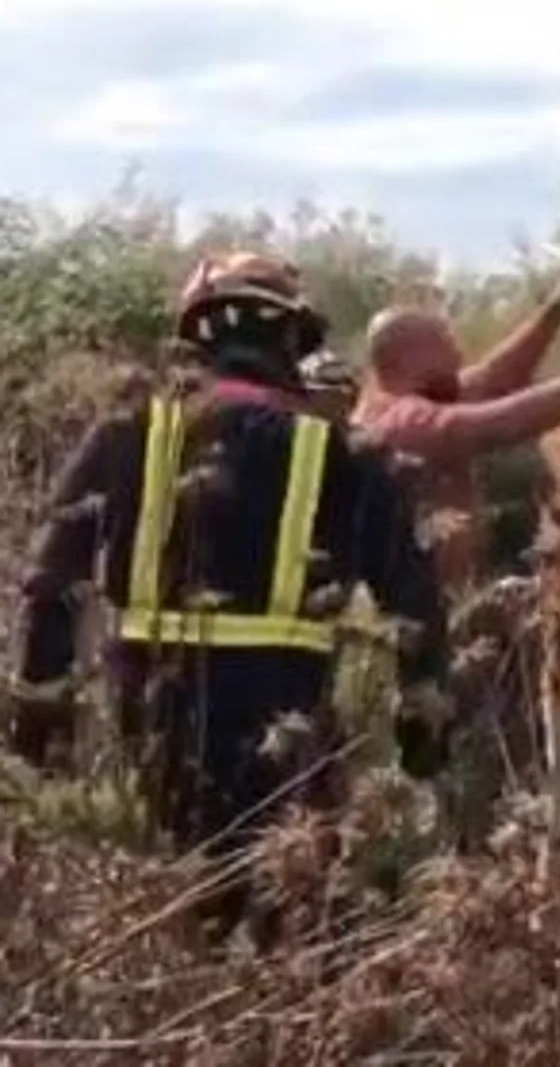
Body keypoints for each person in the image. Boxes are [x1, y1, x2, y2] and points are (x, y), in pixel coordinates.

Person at [3, 251, 451, 948]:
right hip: (288, 734)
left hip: (149, 725)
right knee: (285, 928)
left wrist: (38, 724)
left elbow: (50, 581)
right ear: (292, 344)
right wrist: (423, 729)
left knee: (164, 920)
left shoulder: (126, 434)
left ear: (195, 339)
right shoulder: (345, 455)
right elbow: (418, 607)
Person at [351, 271, 560, 594]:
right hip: (415, 602)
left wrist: (557, 308)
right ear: (406, 357)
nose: (459, 355)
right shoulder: (405, 422)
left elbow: (498, 376)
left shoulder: (413, 398)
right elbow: (508, 421)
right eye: (445, 345)